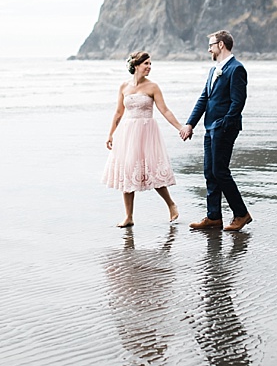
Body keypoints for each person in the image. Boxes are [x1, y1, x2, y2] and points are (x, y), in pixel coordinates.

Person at [180, 30, 253, 231]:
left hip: (223, 128)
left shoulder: (237, 69)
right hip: (210, 127)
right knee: (209, 172)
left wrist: (224, 124)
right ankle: (214, 217)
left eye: (211, 44)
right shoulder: (214, 70)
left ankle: (241, 214)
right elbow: (204, 98)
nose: (209, 48)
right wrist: (190, 124)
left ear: (221, 45)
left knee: (220, 171)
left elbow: (238, 102)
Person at [103, 50, 183, 227]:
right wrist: (110, 133)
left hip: (147, 133)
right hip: (127, 133)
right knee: (127, 171)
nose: (149, 67)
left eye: (150, 64)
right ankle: (128, 216)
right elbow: (118, 112)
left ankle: (171, 205)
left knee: (152, 171)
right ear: (136, 66)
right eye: (146, 64)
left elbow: (165, 110)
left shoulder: (152, 87)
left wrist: (180, 127)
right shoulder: (124, 86)